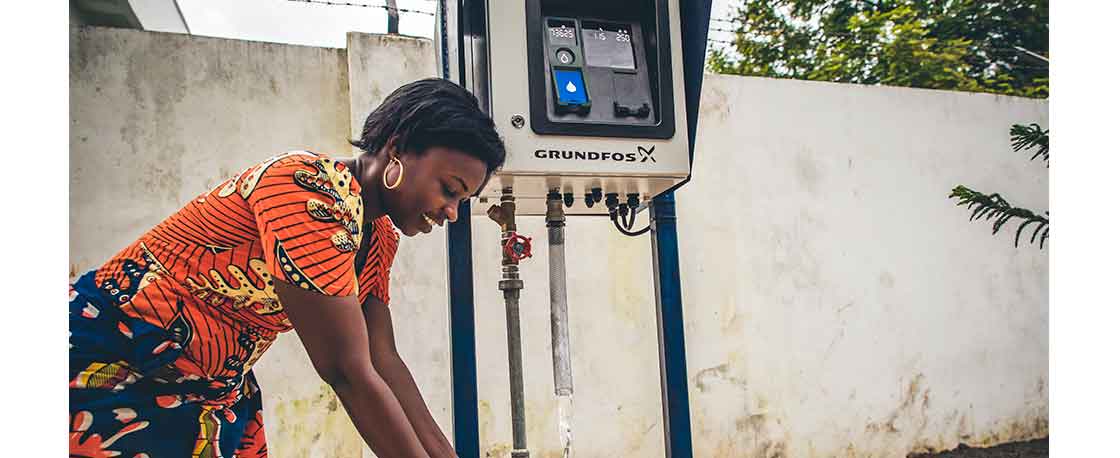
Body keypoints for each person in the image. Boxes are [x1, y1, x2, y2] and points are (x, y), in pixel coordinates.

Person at [69, 78, 505, 458]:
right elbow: (345, 370)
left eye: (461, 201)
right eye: (449, 189)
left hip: (209, 395)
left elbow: (383, 360)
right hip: (114, 366)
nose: (451, 212)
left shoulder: (376, 238)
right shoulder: (306, 188)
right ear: (398, 149)